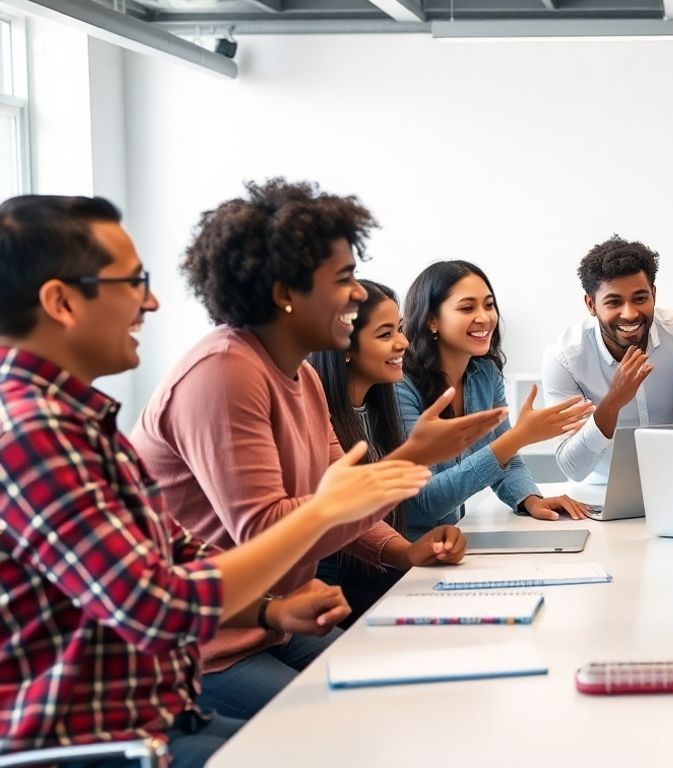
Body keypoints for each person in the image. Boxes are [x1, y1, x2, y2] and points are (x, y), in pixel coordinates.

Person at [0, 195, 428, 766]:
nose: (150, 301)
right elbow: (152, 602)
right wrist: (322, 512)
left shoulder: (78, 420)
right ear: (60, 302)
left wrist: (269, 609)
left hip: (163, 716)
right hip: (99, 745)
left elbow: (175, 560)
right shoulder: (33, 432)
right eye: (133, 282)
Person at [130, 179, 504, 720]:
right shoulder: (224, 373)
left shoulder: (302, 376)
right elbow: (270, 530)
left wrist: (403, 551)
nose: (358, 294)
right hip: (208, 647)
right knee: (355, 723)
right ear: (286, 292)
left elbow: (336, 492)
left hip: (277, 624)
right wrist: (411, 458)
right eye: (345, 279)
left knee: (400, 702)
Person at [399, 261, 594, 528]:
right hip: (401, 556)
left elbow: (506, 457)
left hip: (449, 542)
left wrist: (530, 499)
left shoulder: (485, 373)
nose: (485, 317)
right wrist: (519, 436)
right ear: (432, 320)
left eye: (489, 305)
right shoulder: (400, 386)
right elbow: (428, 502)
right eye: (467, 308)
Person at [541, 235, 673, 484]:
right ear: (591, 304)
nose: (629, 314)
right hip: (600, 488)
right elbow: (572, 467)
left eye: (640, 298)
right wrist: (613, 402)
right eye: (614, 302)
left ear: (653, 294)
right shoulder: (565, 359)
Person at [309, 279, 415, 620]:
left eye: (399, 329)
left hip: (377, 570)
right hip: (336, 586)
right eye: (386, 334)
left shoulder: (379, 408)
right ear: (345, 345)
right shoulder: (317, 413)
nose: (403, 343)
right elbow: (348, 512)